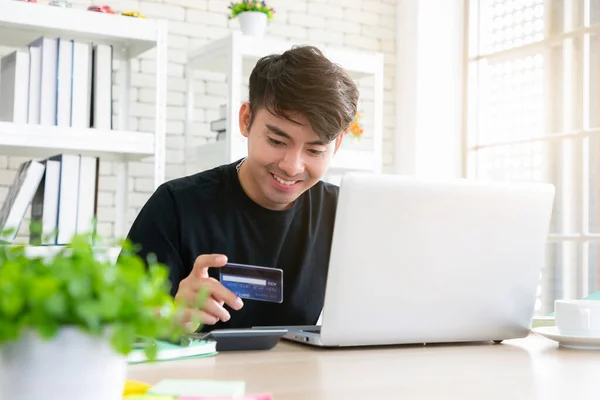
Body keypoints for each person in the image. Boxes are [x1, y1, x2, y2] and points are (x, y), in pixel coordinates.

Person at [123, 45, 359, 333]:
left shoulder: (345, 216)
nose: (292, 166)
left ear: (336, 145)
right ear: (246, 119)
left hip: (299, 375)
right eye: (276, 141)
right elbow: (113, 326)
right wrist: (167, 313)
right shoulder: (175, 206)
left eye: (315, 150)